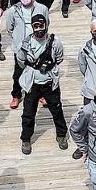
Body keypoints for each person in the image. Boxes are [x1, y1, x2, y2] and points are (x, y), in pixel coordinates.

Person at [15, 14, 69, 154]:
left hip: (50, 82)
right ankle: (26, 139)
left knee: (57, 110)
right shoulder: (26, 44)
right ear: (32, 27)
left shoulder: (55, 43)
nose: (39, 29)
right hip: (32, 83)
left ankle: (61, 135)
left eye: (41, 26)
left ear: (46, 25)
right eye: (36, 26)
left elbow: (59, 58)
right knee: (28, 113)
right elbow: (21, 60)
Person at [4, 0, 50, 108]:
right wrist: (17, 39)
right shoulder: (13, 10)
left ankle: (42, 94)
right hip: (21, 46)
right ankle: (16, 95)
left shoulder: (42, 8)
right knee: (18, 72)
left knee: (41, 70)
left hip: (38, 44)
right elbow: (9, 28)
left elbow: (46, 24)